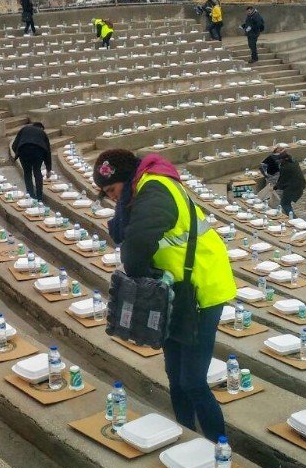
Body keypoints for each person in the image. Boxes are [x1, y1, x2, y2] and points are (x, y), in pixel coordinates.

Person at [92, 149, 235, 442]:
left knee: (193, 380)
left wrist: (139, 279)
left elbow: (136, 247)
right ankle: (187, 437)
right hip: (175, 290)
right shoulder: (143, 188)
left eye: (112, 190)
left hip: (201, 287)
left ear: (124, 178)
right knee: (175, 375)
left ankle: (218, 447)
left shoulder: (155, 188)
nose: (113, 198)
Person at [10, 122, 51, 200]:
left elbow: (14, 145)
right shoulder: (42, 133)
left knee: (27, 173)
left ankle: (31, 195)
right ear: (41, 128)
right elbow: (47, 152)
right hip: (38, 152)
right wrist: (48, 169)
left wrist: (18, 153)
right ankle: (39, 197)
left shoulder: (24, 129)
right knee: (37, 171)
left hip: (23, 150)